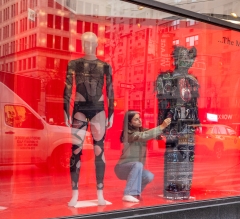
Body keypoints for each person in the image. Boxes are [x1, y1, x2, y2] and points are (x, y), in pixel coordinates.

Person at [64, 32, 114, 207]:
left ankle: (100, 193)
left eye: (90, 42)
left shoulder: (105, 66)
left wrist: (112, 110)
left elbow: (110, 89)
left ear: (96, 44)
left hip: (98, 109)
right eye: (84, 42)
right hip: (79, 108)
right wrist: (66, 109)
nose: (87, 45)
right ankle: (75, 194)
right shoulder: (74, 64)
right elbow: (68, 86)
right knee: (76, 151)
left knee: (99, 151)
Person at [115, 110, 171, 203]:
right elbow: (144, 136)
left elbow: (151, 134)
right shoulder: (129, 133)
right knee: (138, 165)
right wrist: (161, 126)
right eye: (136, 119)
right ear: (129, 122)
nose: (140, 120)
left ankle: (135, 194)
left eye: (139, 118)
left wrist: (162, 133)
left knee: (148, 176)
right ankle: (128, 193)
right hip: (122, 168)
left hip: (135, 168)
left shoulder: (142, 130)